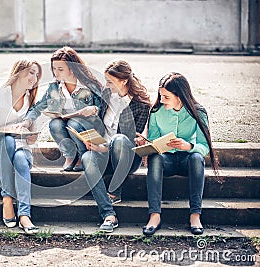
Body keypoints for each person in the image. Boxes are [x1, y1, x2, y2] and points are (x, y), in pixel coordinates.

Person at [142, 72, 219, 236]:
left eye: (166, 97)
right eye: (161, 96)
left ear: (180, 96)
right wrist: (147, 144)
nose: (162, 100)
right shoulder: (156, 111)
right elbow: (154, 139)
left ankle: (195, 215)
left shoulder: (198, 112)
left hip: (187, 161)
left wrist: (189, 146)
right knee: (155, 158)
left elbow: (205, 146)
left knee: (197, 158)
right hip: (166, 161)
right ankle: (154, 215)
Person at [81, 59, 151, 232]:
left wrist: (107, 146)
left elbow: (131, 139)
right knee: (86, 158)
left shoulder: (141, 105)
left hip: (125, 156)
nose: (107, 85)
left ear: (124, 81)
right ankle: (108, 214)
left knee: (119, 140)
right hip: (103, 151)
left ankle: (115, 190)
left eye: (110, 81)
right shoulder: (106, 94)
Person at [20, 46, 104, 172]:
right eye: (54, 68)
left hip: (88, 128)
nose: (56, 73)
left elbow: (103, 106)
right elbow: (38, 106)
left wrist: (94, 109)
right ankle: (70, 156)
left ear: (72, 69)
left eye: (60, 69)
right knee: (55, 124)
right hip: (66, 126)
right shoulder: (54, 87)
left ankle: (82, 155)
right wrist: (27, 121)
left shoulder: (89, 85)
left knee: (73, 122)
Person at [0, 59, 42, 234]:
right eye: (32, 72)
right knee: (7, 140)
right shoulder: (0, 96)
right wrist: (8, 130)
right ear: (19, 72)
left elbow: (33, 138)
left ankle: (24, 215)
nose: (35, 78)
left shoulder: (31, 101)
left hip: (21, 149)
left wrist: (28, 134)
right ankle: (7, 198)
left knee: (21, 161)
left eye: (37, 75)